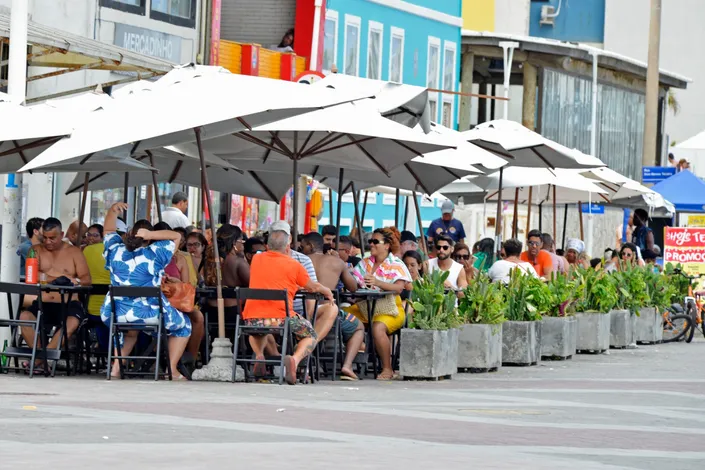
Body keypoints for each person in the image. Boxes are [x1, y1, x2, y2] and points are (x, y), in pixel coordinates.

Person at [101, 205, 190, 379]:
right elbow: (176, 236)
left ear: (129, 235)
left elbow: (108, 230)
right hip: (151, 315)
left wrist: (112, 211)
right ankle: (171, 370)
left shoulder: (114, 251)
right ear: (148, 240)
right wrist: (151, 235)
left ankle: (116, 369)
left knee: (131, 331)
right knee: (185, 325)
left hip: (115, 314)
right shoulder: (156, 253)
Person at [243, 229, 333, 385]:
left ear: (267, 246)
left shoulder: (256, 260)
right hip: (282, 319)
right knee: (311, 334)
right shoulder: (294, 264)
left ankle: (259, 356)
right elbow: (312, 287)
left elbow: (271, 279)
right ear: (287, 246)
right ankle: (295, 360)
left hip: (252, 319)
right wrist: (326, 291)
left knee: (258, 331)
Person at [18, 217, 92, 368]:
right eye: (44, 238)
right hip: (43, 302)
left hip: (68, 302)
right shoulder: (35, 250)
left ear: (62, 234)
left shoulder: (74, 252)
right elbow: (32, 275)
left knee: (72, 322)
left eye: (52, 238)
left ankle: (39, 360)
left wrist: (73, 281)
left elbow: (86, 280)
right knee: (24, 317)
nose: (48, 242)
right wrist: (61, 279)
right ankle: (41, 359)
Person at [347, 227, 411, 381]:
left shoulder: (396, 263)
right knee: (341, 316)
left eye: (376, 241)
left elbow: (399, 288)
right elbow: (354, 281)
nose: (372, 244)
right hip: (365, 306)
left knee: (378, 327)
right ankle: (345, 362)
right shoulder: (365, 263)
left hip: (390, 309)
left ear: (387, 245)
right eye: (370, 241)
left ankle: (387, 368)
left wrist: (378, 282)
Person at [301, 232, 364, 381]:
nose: (301, 249)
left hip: (301, 312)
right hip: (327, 313)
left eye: (302, 246)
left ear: (310, 246)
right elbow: (353, 287)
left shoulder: (300, 261)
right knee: (359, 327)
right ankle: (347, 365)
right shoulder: (336, 262)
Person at [204, 224, 250, 325]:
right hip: (234, 313)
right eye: (241, 241)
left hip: (211, 310)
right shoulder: (238, 262)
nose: (243, 244)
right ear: (234, 242)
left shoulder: (209, 260)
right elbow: (254, 285)